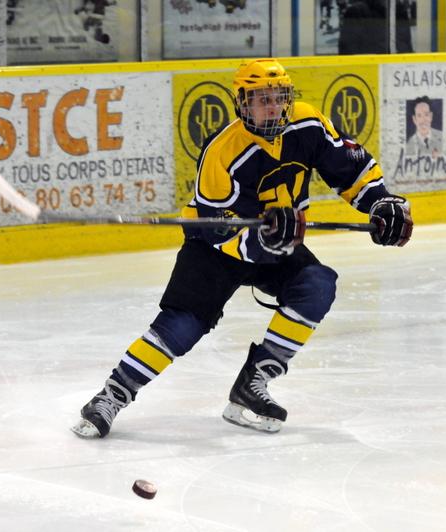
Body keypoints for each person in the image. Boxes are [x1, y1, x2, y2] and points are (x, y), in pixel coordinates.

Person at [71, 58, 413, 438]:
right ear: (242, 104)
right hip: (216, 249)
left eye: (278, 97)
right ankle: (112, 395)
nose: (272, 106)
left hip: (277, 242)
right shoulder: (222, 151)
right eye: (260, 98)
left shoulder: (307, 123)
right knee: (181, 327)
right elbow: (221, 231)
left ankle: (253, 382)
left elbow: (352, 169)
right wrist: (264, 238)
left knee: (317, 286)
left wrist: (381, 203)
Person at [338, 0, 414, 55]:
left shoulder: (400, 12)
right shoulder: (358, 12)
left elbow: (407, 48)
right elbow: (349, 53)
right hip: (370, 73)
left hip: (398, 71)